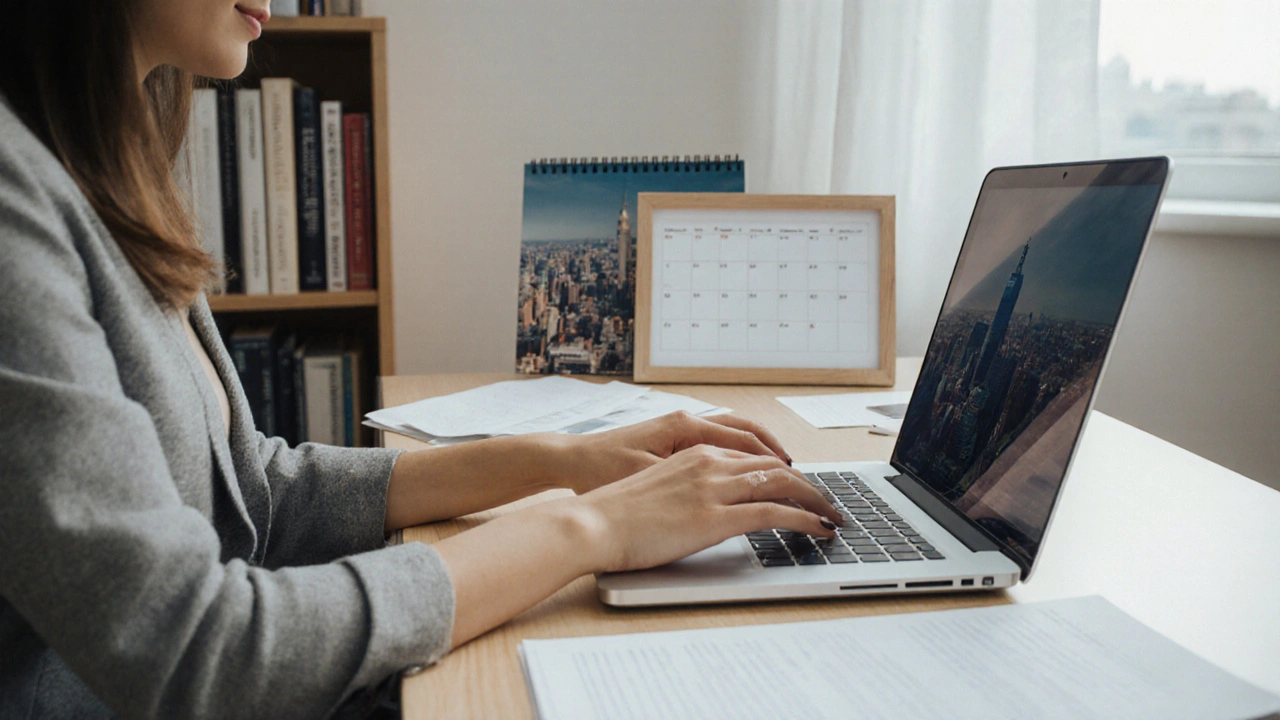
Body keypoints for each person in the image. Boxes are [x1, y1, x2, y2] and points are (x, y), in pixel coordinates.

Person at [0, 0, 841, 717]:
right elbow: (191, 650)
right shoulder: (14, 204)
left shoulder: (102, 169)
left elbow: (253, 493)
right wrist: (595, 527)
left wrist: (568, 462)